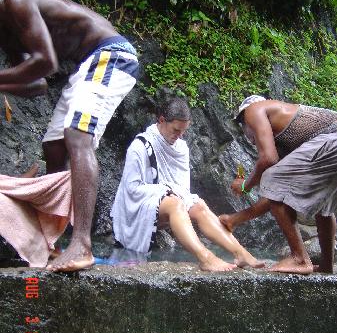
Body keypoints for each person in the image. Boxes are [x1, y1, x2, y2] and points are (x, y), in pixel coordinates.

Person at [0, 0, 139, 272]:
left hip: (111, 54)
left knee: (77, 135)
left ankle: (82, 245)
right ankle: (54, 241)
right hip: (86, 67)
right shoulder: (7, 33)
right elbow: (36, 85)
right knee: (53, 145)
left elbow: (46, 63)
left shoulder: (18, 0)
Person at [111, 97, 264, 272]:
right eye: (176, 130)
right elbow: (131, 190)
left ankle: (240, 253)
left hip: (167, 203)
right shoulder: (139, 146)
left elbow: (183, 189)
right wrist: (165, 191)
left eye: (183, 131)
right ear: (161, 120)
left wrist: (171, 192)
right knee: (175, 203)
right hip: (139, 208)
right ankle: (205, 258)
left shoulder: (181, 148)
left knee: (199, 205)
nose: (179, 136)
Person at [220, 94, 337, 274]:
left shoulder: (253, 110)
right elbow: (276, 197)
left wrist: (245, 186)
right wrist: (235, 219)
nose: (247, 134)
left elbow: (268, 159)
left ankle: (299, 259)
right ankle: (327, 265)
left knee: (272, 178)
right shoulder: (294, 145)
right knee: (323, 205)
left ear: (245, 119)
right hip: (330, 143)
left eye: (245, 127)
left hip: (332, 138)